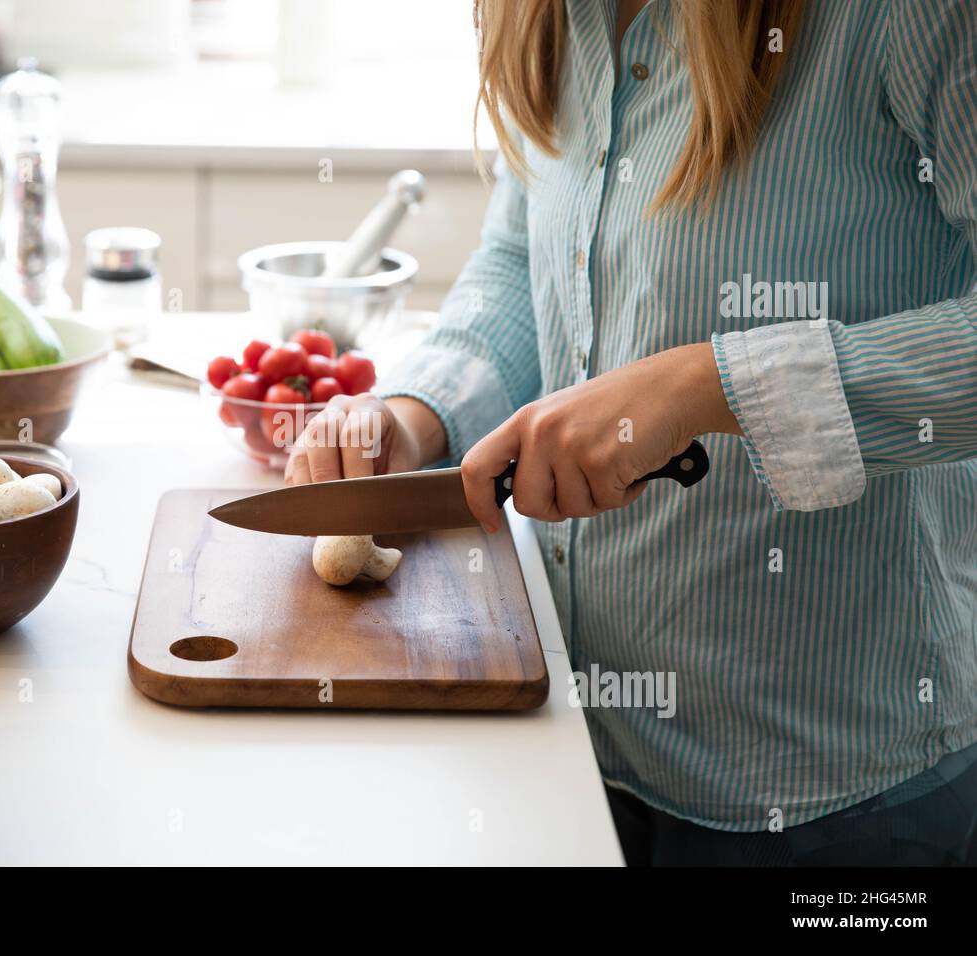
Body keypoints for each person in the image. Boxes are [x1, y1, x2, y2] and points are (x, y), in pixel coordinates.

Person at [286, 0, 977, 865]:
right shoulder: (549, 17)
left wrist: (711, 383)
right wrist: (414, 416)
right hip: (571, 745)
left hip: (836, 797)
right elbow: (520, 260)